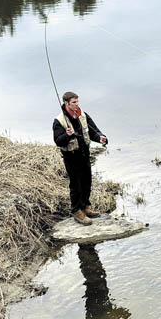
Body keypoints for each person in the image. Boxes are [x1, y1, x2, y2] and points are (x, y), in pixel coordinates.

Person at [52, 91, 108, 225]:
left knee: (86, 181)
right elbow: (58, 141)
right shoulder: (59, 121)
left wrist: (100, 137)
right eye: (74, 102)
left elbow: (93, 130)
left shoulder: (82, 115)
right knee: (75, 184)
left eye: (77, 102)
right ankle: (77, 211)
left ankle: (86, 207)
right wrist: (67, 135)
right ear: (66, 103)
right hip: (71, 157)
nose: (77, 105)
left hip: (84, 154)